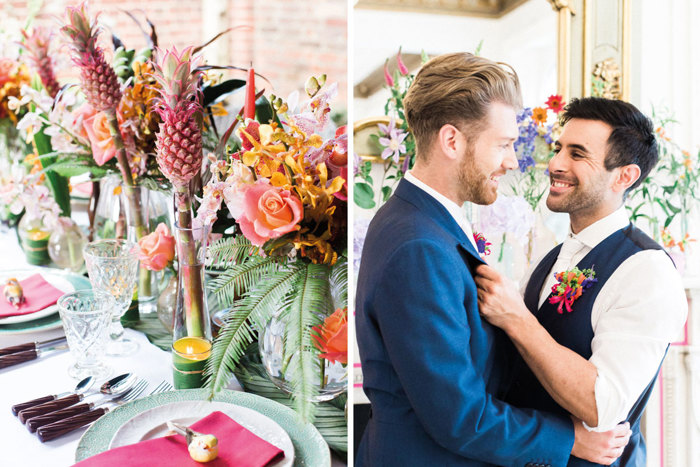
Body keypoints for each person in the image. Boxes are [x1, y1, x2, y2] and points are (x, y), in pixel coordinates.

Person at [355, 53, 630, 467]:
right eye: (502, 144)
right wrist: (568, 439)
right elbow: (460, 417)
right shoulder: (419, 247)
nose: (512, 161)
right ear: (452, 141)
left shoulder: (424, 221)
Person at [475, 97, 688, 466]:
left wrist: (516, 318)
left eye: (577, 154)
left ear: (624, 176)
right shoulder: (552, 257)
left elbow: (601, 404)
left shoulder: (646, 271)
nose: (555, 164)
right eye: (559, 148)